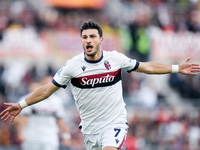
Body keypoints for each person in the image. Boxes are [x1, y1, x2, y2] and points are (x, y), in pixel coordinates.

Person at [1, 19, 200, 150]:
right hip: (89, 130)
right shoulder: (72, 66)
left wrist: (175, 68)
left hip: (114, 123)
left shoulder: (115, 59)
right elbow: (47, 89)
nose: (88, 40)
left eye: (92, 36)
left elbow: (146, 67)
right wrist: (23, 104)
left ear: (101, 40)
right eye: (85, 37)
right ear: (81, 41)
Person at [14, 76, 71, 150]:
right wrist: (20, 133)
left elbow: (60, 120)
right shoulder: (29, 99)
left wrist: (66, 136)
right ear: (41, 84)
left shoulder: (57, 101)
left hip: (50, 137)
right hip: (31, 136)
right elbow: (23, 118)